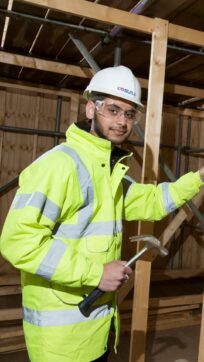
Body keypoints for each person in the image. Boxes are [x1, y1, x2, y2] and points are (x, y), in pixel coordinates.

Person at [0, 65, 204, 362]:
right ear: (90, 109)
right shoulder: (59, 165)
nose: (122, 121)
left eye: (129, 113)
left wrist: (198, 178)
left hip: (95, 328)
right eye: (113, 109)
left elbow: (151, 201)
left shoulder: (107, 171)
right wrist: (96, 273)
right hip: (61, 343)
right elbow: (18, 241)